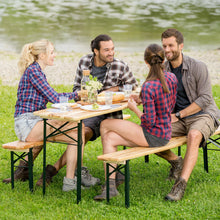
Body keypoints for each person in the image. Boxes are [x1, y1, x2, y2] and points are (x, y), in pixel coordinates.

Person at [34, 34, 138, 188]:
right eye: (106, 50)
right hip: (88, 111)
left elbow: (133, 88)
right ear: (96, 51)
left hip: (110, 114)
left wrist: (112, 90)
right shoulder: (84, 62)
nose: (111, 53)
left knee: (80, 134)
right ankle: (66, 173)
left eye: (113, 49)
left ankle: (53, 169)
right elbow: (76, 89)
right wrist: (85, 96)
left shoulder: (120, 66)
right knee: (79, 132)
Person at [94, 43, 178, 200]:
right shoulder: (171, 78)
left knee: (105, 124)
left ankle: (113, 177)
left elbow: (149, 121)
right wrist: (143, 99)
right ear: (163, 60)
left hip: (153, 135)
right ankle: (111, 185)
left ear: (146, 62)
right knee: (109, 138)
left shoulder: (149, 86)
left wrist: (134, 107)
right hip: (165, 131)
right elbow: (168, 104)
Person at [3, 39, 84, 192]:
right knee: (76, 127)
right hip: (27, 124)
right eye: (51, 52)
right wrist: (77, 95)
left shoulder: (37, 71)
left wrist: (75, 98)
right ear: (41, 55)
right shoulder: (34, 71)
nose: (54, 55)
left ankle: (69, 182)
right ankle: (69, 182)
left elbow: (52, 98)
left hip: (35, 122)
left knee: (78, 132)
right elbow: (53, 97)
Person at [156, 28, 220, 201]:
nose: (167, 50)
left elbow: (205, 98)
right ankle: (176, 161)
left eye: (171, 45)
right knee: (149, 134)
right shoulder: (162, 69)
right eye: (164, 46)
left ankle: (180, 185)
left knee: (193, 134)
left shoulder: (198, 67)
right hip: (176, 116)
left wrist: (179, 114)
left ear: (181, 46)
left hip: (203, 114)